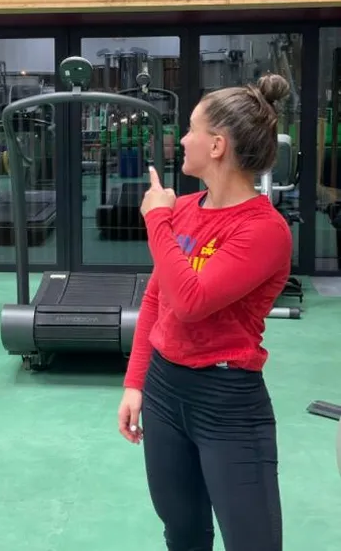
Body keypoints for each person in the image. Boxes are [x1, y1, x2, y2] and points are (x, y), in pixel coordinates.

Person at [118, 74, 293, 551]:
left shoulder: (264, 230)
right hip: (164, 389)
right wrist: (135, 382)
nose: (182, 139)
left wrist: (157, 218)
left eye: (191, 129)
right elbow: (157, 300)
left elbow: (190, 301)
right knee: (184, 533)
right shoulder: (186, 209)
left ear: (217, 146)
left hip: (226, 402)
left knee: (253, 543)